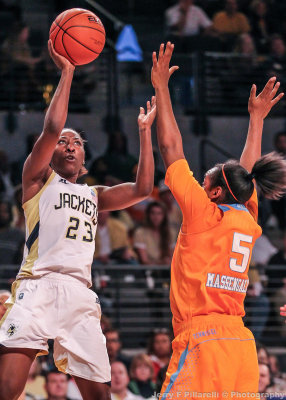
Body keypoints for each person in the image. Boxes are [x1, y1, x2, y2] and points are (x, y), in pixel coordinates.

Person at [0, 40, 156, 400]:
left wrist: (145, 134)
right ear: (48, 152)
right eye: (63, 143)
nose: (69, 145)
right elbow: (52, 126)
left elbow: (144, 188)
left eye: (77, 142)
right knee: (7, 389)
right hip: (37, 286)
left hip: (79, 295)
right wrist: (67, 72)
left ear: (84, 158)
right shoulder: (37, 181)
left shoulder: (94, 194)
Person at [151, 41, 286, 397]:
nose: (200, 177)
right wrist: (256, 120)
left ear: (212, 192)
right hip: (241, 344)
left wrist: (162, 88)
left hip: (203, 339)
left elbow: (171, 149)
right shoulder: (247, 216)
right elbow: (246, 172)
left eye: (205, 176)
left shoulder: (203, 214)